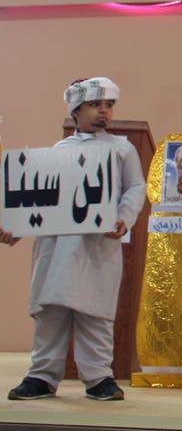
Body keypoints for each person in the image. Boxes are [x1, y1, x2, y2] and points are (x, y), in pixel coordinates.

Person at [3, 77, 146, 402]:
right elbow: (41, 201)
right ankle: (41, 376)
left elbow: (136, 188)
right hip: (55, 248)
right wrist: (15, 229)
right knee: (51, 312)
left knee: (94, 313)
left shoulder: (122, 149)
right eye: (95, 105)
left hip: (97, 246)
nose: (104, 111)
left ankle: (99, 377)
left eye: (109, 105)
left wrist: (123, 218)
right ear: (76, 110)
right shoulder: (58, 152)